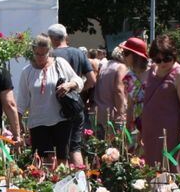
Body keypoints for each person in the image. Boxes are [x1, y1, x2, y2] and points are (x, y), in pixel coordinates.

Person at [17, 34, 83, 167]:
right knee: (43, 161)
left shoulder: (60, 64)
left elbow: (79, 81)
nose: (40, 58)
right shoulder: (27, 72)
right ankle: (45, 186)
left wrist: (69, 85)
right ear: (33, 51)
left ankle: (62, 185)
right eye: (37, 54)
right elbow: (21, 102)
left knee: (62, 160)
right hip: (38, 123)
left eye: (44, 54)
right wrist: (18, 128)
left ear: (49, 51)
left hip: (61, 120)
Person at [141, 35, 180, 172]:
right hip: (150, 132)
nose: (163, 62)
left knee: (170, 170)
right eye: (158, 59)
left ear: (174, 55)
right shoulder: (151, 71)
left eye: (167, 58)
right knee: (151, 170)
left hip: (170, 133)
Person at [47, 24, 96, 166]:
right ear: (65, 37)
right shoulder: (79, 53)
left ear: (51, 39)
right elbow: (92, 80)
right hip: (75, 106)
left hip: (56, 109)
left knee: (57, 150)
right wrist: (77, 92)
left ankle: (58, 184)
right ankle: (81, 185)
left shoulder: (51, 56)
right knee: (75, 147)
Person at [93, 49, 128, 139]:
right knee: (116, 145)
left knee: (102, 143)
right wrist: (121, 113)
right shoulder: (121, 67)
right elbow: (119, 90)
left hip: (99, 110)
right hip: (112, 113)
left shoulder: (105, 65)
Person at [121, 37, 150, 133]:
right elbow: (130, 105)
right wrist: (128, 127)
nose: (123, 57)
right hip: (138, 125)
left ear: (136, 55)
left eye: (125, 53)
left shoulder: (154, 73)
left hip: (154, 120)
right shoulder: (128, 77)